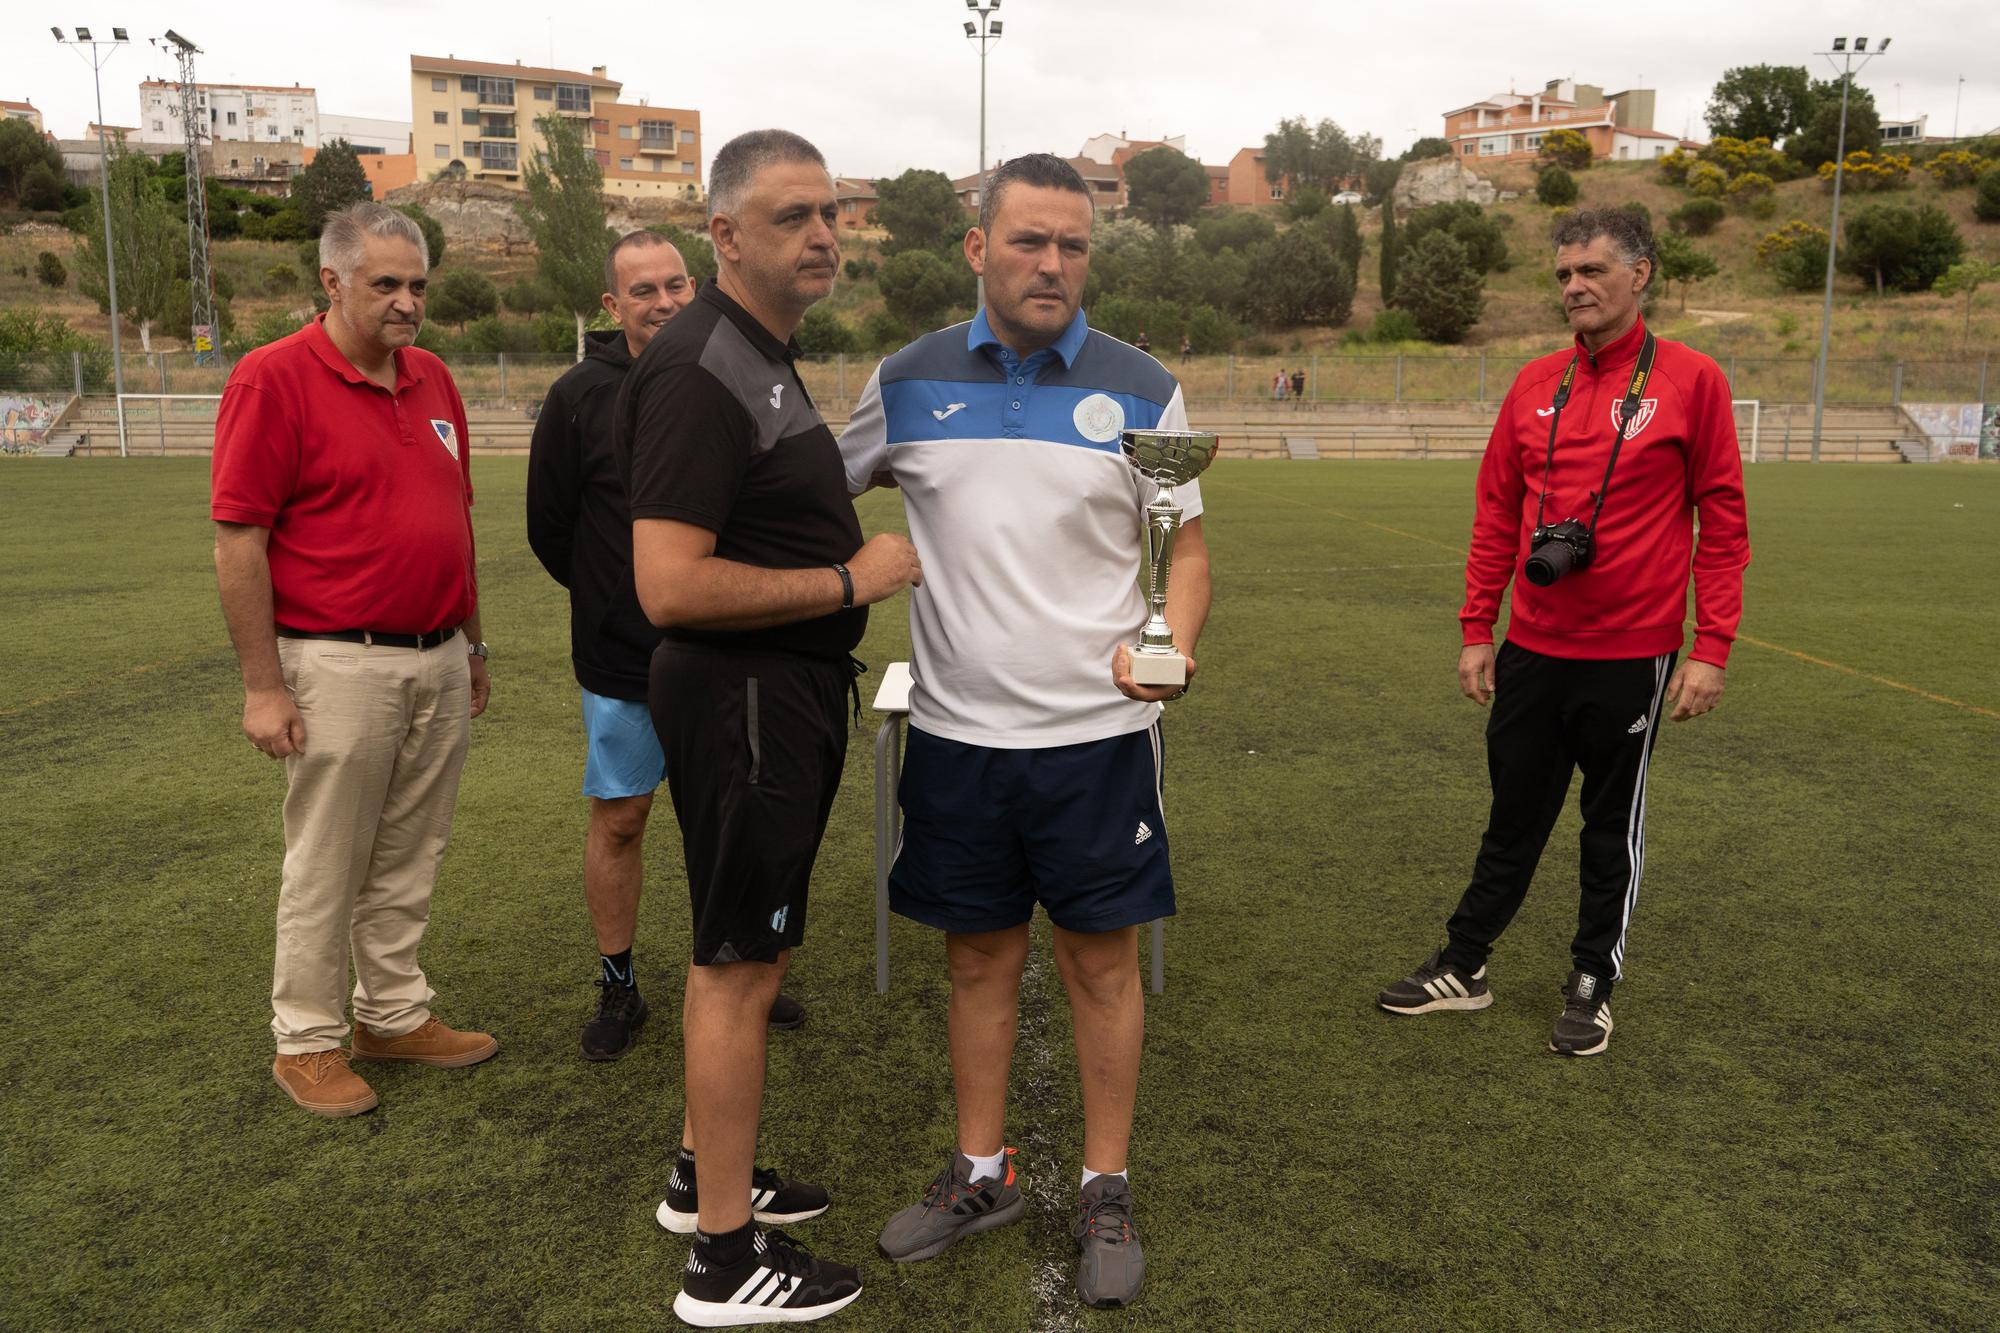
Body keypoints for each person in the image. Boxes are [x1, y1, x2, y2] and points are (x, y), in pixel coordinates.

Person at [841, 153, 1210, 1310]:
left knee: (1099, 964)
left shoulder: (1143, 387)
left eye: (1072, 245)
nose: (1051, 264)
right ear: (977, 248)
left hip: (1100, 736)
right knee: (976, 958)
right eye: (1028, 241)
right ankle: (980, 1170)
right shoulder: (903, 380)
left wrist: (1174, 645)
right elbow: (807, 495)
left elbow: (1183, 549)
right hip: (955, 735)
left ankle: (1106, 1181)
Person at [616, 128, 922, 1327]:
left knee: (754, 950)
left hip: (775, 694)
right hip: (744, 695)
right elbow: (670, 585)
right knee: (735, 967)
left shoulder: (760, 354)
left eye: (830, 212)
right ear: (722, 234)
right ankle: (724, 1260)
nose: (821, 234)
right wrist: (851, 582)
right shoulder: (700, 367)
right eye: (791, 215)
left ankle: (706, 1182)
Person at [1377, 208, 1750, 1056]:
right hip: (1532, 646)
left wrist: (1711, 647)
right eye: (1563, 275)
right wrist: (1479, 627)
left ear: (1640, 273)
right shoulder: (1534, 382)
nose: (1574, 287)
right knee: (1513, 813)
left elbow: (1722, 520)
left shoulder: (1692, 380)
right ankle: (1465, 965)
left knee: (1607, 824)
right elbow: (1496, 511)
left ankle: (1591, 982)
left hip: (1634, 653)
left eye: (1591, 271)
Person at [211, 202, 497, 1118]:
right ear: (331, 282)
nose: (408, 302)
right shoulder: (272, 379)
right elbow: (238, 542)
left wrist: (473, 643)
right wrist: (263, 685)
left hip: (438, 656)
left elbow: (456, 522)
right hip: (336, 662)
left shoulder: (435, 379)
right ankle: (306, 1039)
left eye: (418, 284)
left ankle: (393, 1012)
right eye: (386, 284)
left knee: (412, 852)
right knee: (327, 858)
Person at [527, 231, 803, 1061]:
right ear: (613, 306)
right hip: (623, 656)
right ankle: (620, 985)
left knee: (728, 820)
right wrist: (620, 597)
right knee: (622, 817)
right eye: (642, 290)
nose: (665, 302)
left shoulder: (733, 372)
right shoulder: (578, 396)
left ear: (699, 282)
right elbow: (553, 531)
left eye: (676, 284)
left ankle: (736, 968)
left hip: (727, 648)